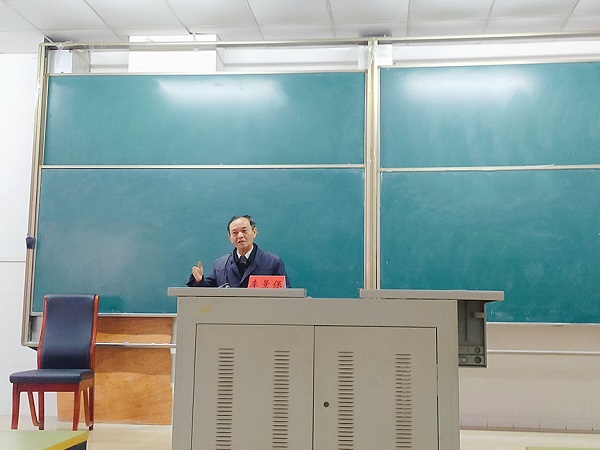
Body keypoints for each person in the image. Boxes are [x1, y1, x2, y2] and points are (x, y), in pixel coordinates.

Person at [187, 215, 290, 288]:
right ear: (230, 238)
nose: (240, 236)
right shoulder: (220, 265)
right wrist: (199, 280)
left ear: (254, 232)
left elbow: (285, 296)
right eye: (235, 233)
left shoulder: (272, 262)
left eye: (244, 231)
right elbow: (208, 293)